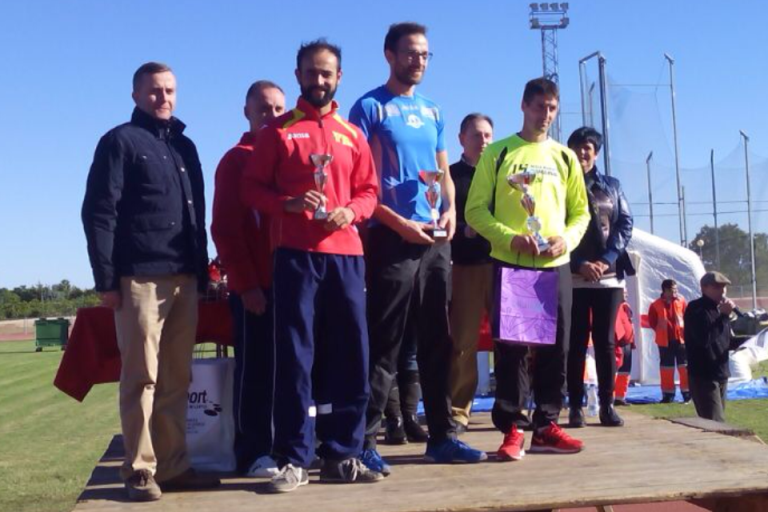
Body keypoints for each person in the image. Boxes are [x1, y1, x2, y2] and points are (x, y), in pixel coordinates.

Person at [242, 40, 383, 493]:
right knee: (296, 357)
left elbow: (370, 192)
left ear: (339, 77)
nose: (318, 81)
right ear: (298, 75)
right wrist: (287, 203)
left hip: (346, 255)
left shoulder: (352, 135)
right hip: (296, 256)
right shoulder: (278, 132)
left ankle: (343, 451)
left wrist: (353, 212)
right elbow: (252, 190)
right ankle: (294, 457)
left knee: (352, 355)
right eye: (310, 73)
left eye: (326, 73)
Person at [350, 22, 487, 474]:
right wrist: (399, 224)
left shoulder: (433, 110)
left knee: (437, 340)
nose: (419, 61)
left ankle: (442, 436)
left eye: (426, 55)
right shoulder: (369, 107)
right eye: (410, 53)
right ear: (389, 55)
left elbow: (442, 171)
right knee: (386, 343)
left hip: (434, 240)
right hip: (392, 236)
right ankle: (364, 441)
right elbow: (361, 184)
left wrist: (450, 211)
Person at [81, 62, 219, 501]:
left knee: (178, 377)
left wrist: (202, 271)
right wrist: (106, 279)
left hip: (184, 277)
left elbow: (197, 216)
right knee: (141, 377)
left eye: (171, 90)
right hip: (139, 278)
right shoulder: (120, 141)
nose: (164, 98)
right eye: (155, 91)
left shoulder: (185, 146)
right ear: (136, 95)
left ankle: (174, 464)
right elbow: (99, 212)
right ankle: (139, 469)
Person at [465, 77, 590, 462]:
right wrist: (509, 239)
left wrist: (565, 240)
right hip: (514, 264)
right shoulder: (499, 153)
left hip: (556, 266)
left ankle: (547, 426)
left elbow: (580, 213)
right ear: (523, 106)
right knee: (513, 351)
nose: (545, 115)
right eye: (539, 107)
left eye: (552, 108)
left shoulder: (565, 158)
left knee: (558, 347)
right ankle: (512, 429)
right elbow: (474, 211)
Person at [211, 80, 285, 477]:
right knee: (256, 372)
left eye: (278, 110)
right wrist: (246, 284)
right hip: (256, 289)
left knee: (290, 371)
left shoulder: (293, 159)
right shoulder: (236, 161)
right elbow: (224, 229)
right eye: (263, 109)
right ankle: (253, 451)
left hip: (294, 286)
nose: (271, 117)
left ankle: (287, 445)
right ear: (247, 112)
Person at [565, 126, 634, 429]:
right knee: (575, 341)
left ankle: (607, 405)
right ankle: (575, 407)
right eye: (578, 146)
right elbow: (554, 226)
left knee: (606, 341)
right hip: (574, 274)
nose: (583, 151)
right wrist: (578, 262)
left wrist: (606, 259)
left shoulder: (612, 185)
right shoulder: (560, 184)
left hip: (608, 276)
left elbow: (625, 223)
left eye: (588, 147)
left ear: (596, 152)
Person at [449, 113, 494, 433]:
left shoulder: (503, 175)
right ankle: (458, 411)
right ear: (461, 139)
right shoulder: (448, 177)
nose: (483, 142)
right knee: (463, 341)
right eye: (476, 135)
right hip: (464, 267)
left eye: (488, 135)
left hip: (502, 265)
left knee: (511, 340)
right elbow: (440, 220)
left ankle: (512, 405)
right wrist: (464, 230)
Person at [683, 272, 736, 422]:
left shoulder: (719, 310)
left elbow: (725, 340)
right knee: (714, 422)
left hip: (720, 372)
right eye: (717, 286)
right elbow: (704, 339)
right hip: (703, 375)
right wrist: (724, 317)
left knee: (717, 421)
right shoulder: (696, 309)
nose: (723, 291)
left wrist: (751, 340)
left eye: (724, 287)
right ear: (704, 288)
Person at [648, 279, 690, 403]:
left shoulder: (681, 301)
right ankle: (668, 394)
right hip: (664, 342)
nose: (675, 292)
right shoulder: (655, 305)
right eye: (672, 290)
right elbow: (652, 321)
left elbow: (686, 317)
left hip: (681, 340)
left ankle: (687, 393)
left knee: (684, 367)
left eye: (676, 290)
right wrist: (661, 331)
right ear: (665, 291)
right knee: (666, 368)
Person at [614, 291, 636, 406]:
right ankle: (610, 397)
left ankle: (620, 397)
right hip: (617, 343)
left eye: (627, 293)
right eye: (624, 293)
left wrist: (632, 341)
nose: (626, 295)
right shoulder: (614, 306)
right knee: (615, 370)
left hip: (628, 342)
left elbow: (629, 324)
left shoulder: (626, 306)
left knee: (625, 370)